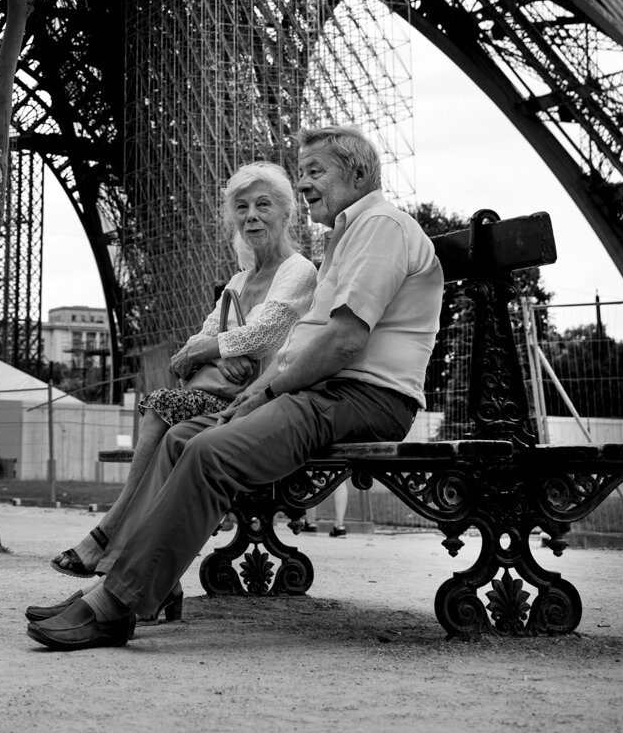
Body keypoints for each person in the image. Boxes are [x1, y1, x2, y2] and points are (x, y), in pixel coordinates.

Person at [26, 125, 445, 650]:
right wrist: (262, 390)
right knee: (182, 438)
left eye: (316, 171)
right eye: (303, 172)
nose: (307, 183)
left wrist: (267, 392)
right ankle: (121, 582)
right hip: (322, 392)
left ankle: (116, 605)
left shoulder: (379, 225)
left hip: (361, 397)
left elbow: (343, 341)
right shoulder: (351, 234)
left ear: (358, 172)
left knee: (207, 452)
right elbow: (304, 346)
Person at [49, 163, 317, 590]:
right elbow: (189, 353)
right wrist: (221, 348)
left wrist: (215, 347)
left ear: (286, 214)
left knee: (163, 416)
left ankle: (110, 538)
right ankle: (139, 569)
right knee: (168, 424)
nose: (251, 215)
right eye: (242, 207)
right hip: (222, 396)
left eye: (263, 205)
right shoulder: (239, 280)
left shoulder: (298, 270)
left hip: (256, 399)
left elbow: (266, 334)